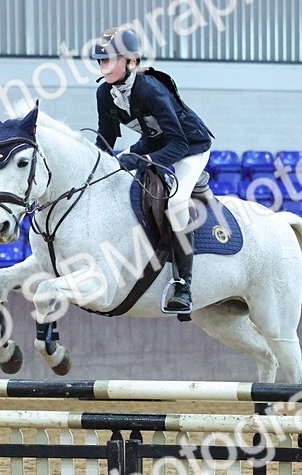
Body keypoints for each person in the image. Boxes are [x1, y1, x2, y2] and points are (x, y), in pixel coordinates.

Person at [92, 26, 214, 315]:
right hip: (155, 142)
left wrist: (144, 160)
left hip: (191, 146)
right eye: (101, 60)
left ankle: (183, 286)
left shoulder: (150, 89)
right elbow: (106, 139)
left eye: (111, 59)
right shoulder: (105, 93)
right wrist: (94, 168)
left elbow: (179, 144)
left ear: (131, 61)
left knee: (177, 202)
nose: (104, 65)